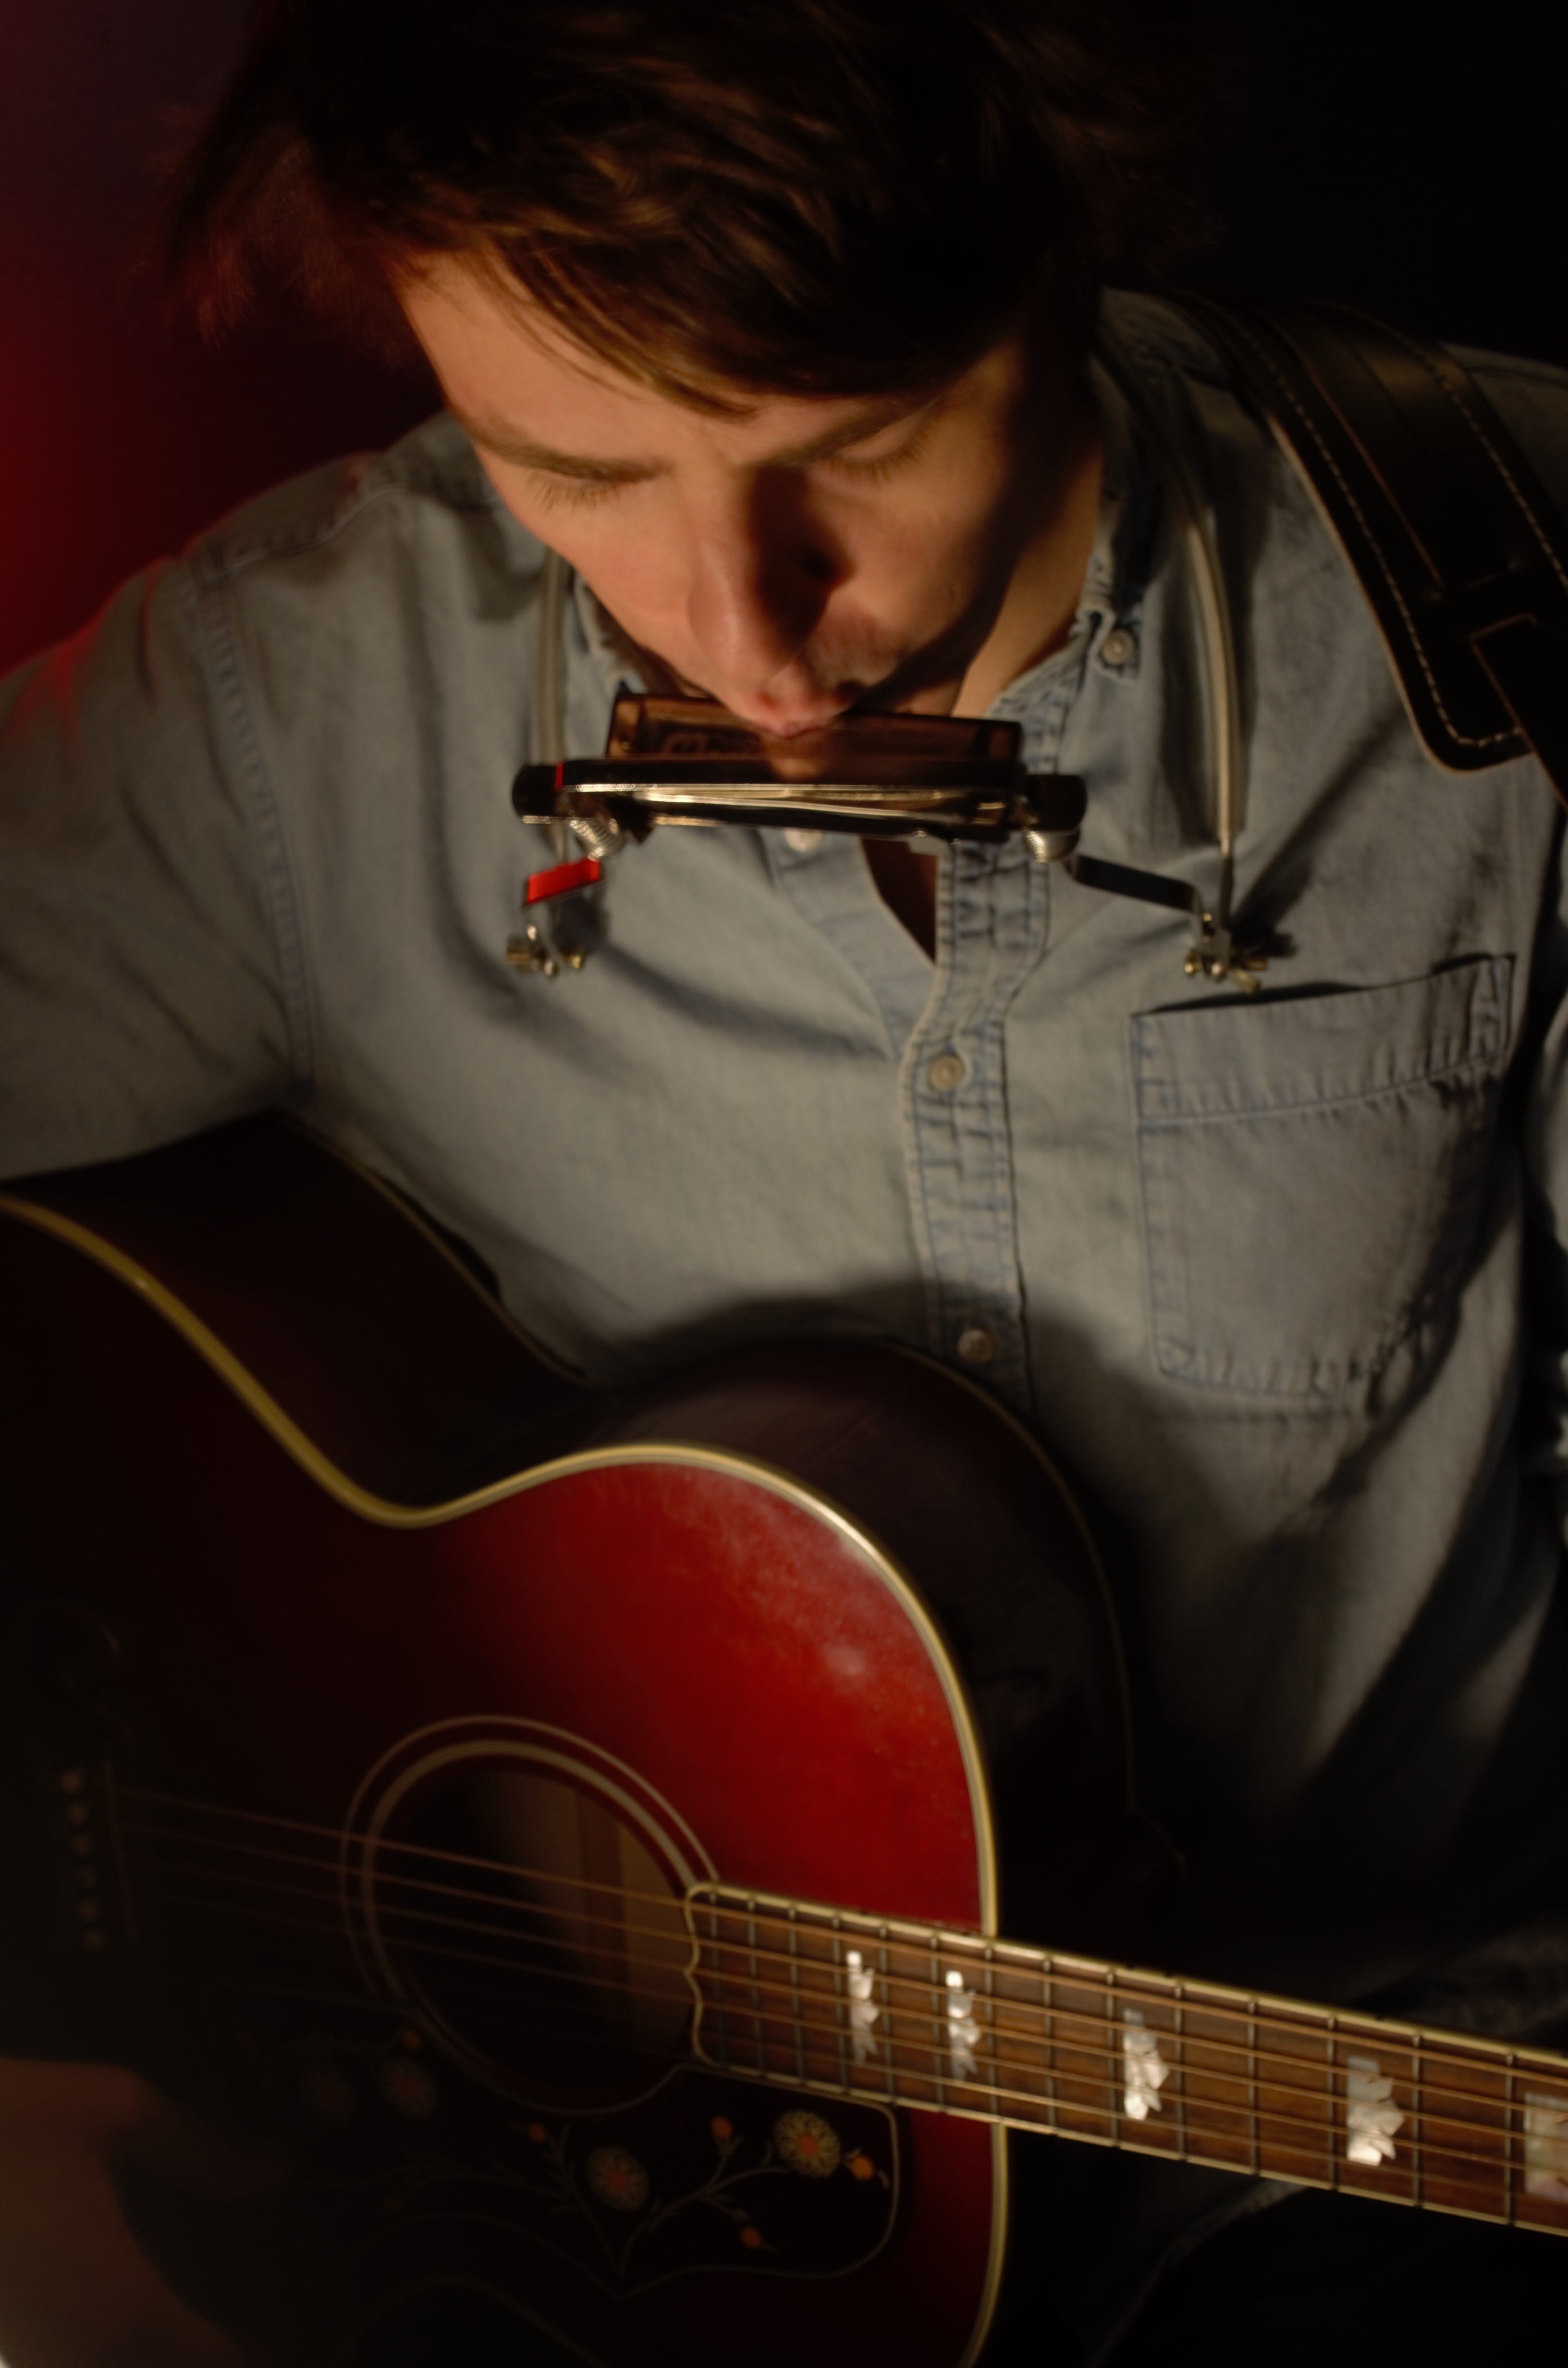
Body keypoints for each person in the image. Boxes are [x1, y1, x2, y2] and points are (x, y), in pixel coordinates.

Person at [2, 0, 1568, 2360]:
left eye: (860, 443)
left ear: (1069, 241)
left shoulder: (1517, 619)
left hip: (1350, 2124)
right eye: (570, 465)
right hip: (550, 2177)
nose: (736, 630)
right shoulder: (280, 701)